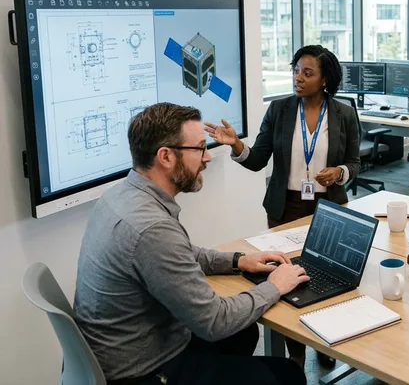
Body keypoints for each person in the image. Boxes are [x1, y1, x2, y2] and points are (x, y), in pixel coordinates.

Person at [73, 103, 310, 385]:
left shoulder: (122, 195)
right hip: (144, 371)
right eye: (199, 148)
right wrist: (275, 286)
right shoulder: (152, 228)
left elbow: (178, 254)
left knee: (244, 333)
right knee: (288, 376)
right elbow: (214, 322)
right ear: (166, 157)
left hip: (122, 349)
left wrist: (237, 261)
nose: (207, 157)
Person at [205, 44, 359, 368]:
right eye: (295, 71)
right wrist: (236, 145)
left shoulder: (344, 113)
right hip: (285, 208)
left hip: (328, 208)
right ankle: (296, 354)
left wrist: (340, 172)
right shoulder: (280, 110)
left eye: (307, 73)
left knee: (326, 276)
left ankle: (325, 343)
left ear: (325, 79)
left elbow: (354, 162)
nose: (298, 78)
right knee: (288, 281)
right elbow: (258, 159)